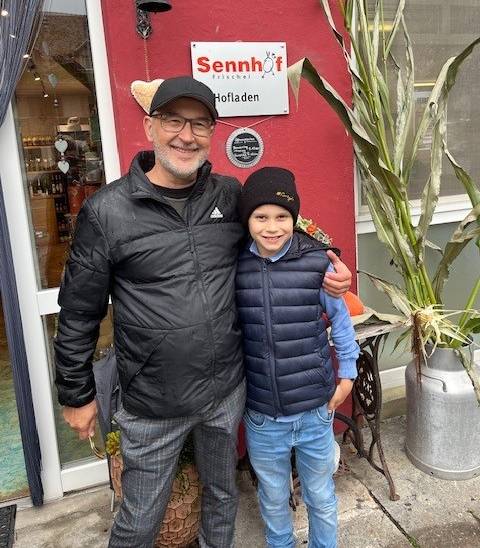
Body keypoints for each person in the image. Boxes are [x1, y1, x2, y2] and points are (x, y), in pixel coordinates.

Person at [54, 76, 352, 548]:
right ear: (150, 126)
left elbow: (283, 228)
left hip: (224, 392)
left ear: (212, 133)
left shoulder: (228, 196)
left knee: (222, 497)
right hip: (153, 401)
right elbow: (77, 311)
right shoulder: (107, 211)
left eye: (199, 124)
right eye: (173, 120)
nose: (186, 135)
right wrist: (76, 394)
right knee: (139, 518)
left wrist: (330, 264)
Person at [236, 167, 360, 548]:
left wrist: (348, 375)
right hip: (262, 415)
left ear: (294, 218)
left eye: (282, 216)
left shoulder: (316, 264)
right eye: (261, 217)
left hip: (314, 412)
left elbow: (340, 322)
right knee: (273, 499)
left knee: (320, 496)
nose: (272, 227)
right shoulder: (235, 266)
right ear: (247, 220)